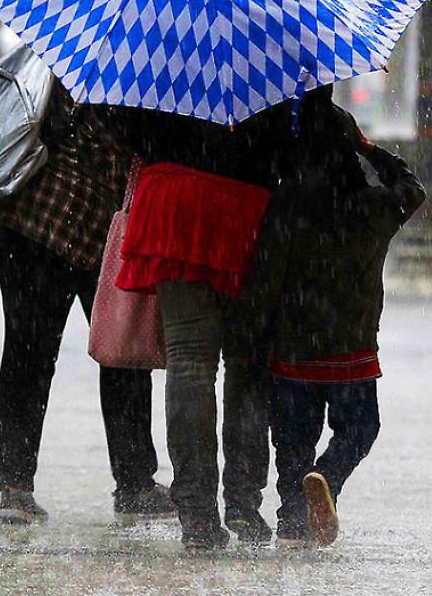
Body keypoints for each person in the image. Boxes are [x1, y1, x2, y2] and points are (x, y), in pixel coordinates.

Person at [0, 79, 174, 525]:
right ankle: (133, 482)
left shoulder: (68, 49)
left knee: (30, 352)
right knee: (119, 351)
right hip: (68, 221)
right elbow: (134, 152)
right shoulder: (135, 76)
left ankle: (17, 486)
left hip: (27, 216)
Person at [107, 103, 292, 549]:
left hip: (173, 195)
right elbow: (298, 132)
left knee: (189, 360)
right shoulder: (277, 41)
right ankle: (244, 503)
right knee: (246, 364)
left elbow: (122, 122)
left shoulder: (157, 38)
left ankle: (197, 513)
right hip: (248, 202)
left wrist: (163, 145)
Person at [249, 88, 425, 546]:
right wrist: (368, 149)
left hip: (292, 347)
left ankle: (291, 522)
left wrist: (258, 333)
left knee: (291, 441)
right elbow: (413, 189)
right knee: (361, 427)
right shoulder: (373, 208)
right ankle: (327, 476)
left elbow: (265, 277)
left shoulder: (284, 207)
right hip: (352, 347)